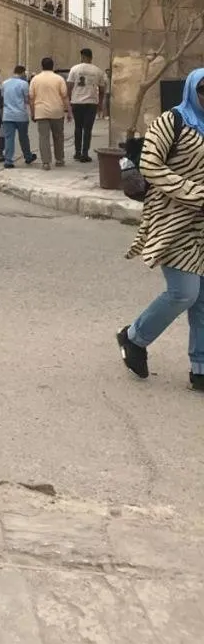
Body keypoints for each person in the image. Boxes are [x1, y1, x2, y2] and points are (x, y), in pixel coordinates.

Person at [117, 69, 204, 392]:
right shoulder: (172, 121)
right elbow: (152, 165)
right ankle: (134, 337)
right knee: (184, 292)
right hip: (174, 219)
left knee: (203, 298)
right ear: (192, 89)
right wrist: (194, 194)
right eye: (203, 89)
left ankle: (200, 366)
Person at [29, 56, 71, 171]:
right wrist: (69, 112)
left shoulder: (35, 79)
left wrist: (32, 113)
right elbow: (65, 96)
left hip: (41, 111)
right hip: (57, 111)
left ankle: (46, 162)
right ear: (53, 66)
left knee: (44, 137)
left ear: (42, 66)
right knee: (58, 136)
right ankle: (59, 159)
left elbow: (31, 99)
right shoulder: (59, 79)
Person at [67, 47, 106, 163]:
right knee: (88, 129)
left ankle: (77, 152)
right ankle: (85, 153)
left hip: (77, 102)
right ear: (91, 57)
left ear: (82, 57)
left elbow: (69, 85)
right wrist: (100, 103)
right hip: (91, 103)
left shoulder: (74, 69)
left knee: (78, 127)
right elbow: (102, 89)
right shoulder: (98, 71)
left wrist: (69, 99)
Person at [0, 65, 36, 169]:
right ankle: (28, 156)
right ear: (22, 73)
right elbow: (27, 99)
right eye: (25, 73)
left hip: (7, 115)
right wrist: (33, 113)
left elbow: (3, 98)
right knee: (23, 137)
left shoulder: (4, 83)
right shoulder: (24, 84)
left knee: (9, 138)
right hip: (20, 115)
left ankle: (8, 160)